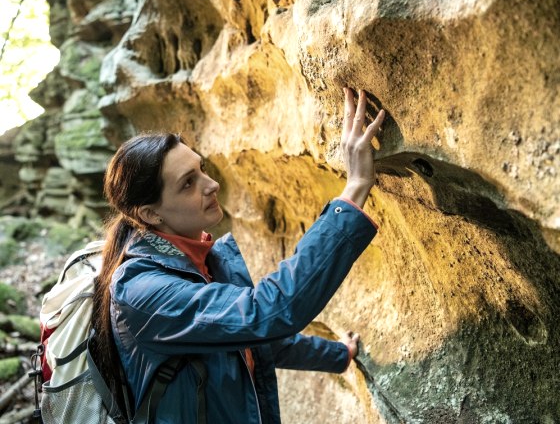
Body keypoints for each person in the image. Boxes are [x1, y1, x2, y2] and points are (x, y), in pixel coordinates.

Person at [92, 88, 386, 423]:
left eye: (201, 168)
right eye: (188, 183)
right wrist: (355, 187)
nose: (211, 184)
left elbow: (256, 341)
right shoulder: (142, 293)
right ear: (150, 214)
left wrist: (339, 355)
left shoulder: (198, 259)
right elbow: (267, 313)